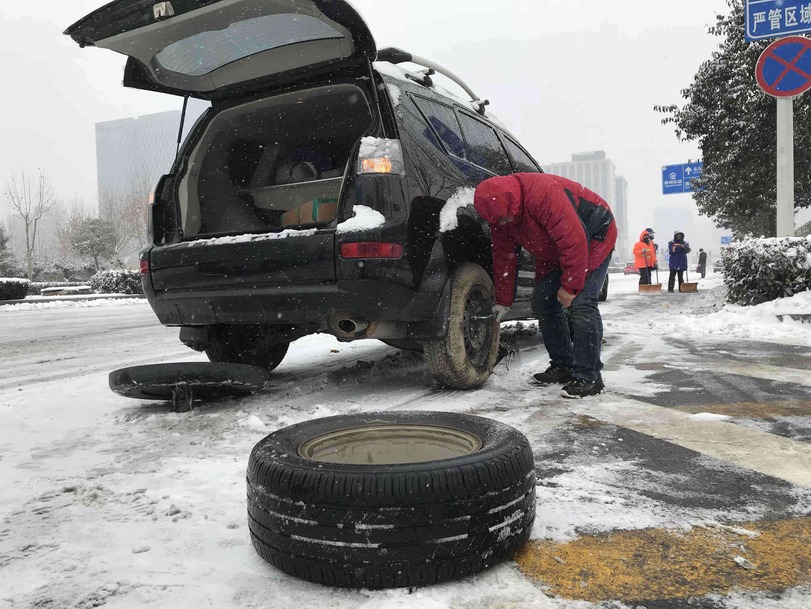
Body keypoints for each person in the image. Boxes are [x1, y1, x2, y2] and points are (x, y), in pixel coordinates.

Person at [473, 173, 617, 398]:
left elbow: (574, 240)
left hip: (594, 235)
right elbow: (504, 257)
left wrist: (570, 287)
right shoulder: (499, 216)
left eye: (505, 219)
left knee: (580, 304)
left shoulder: (543, 194)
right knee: (543, 301)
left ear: (514, 204)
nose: (502, 224)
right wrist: (503, 300)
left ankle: (589, 377)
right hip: (554, 250)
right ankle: (562, 365)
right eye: (497, 221)